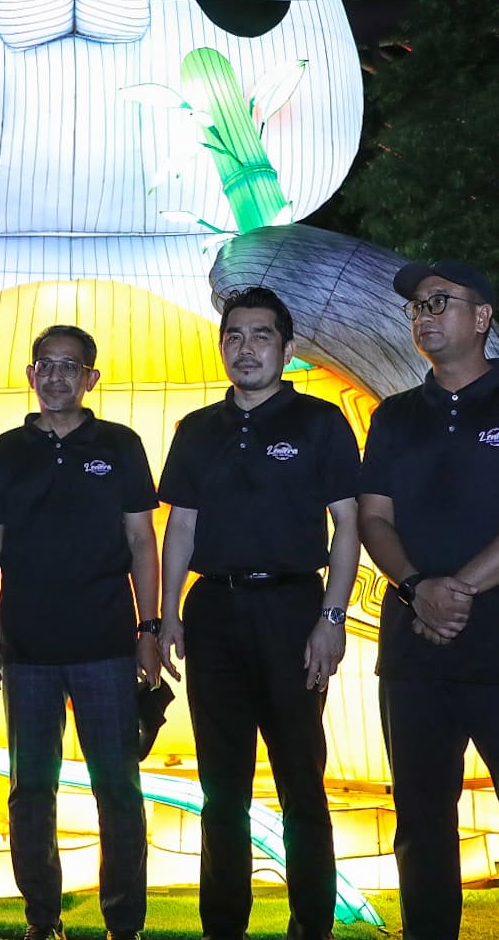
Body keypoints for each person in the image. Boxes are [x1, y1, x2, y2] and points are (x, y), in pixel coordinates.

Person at [357, 261, 499, 940]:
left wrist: (457, 590)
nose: (423, 315)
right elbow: (373, 518)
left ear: (482, 317)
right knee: (421, 827)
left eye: (439, 301)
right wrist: (416, 588)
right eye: (416, 307)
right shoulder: (394, 416)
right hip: (414, 654)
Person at [157, 286, 362, 940]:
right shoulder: (196, 430)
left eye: (261, 335)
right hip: (213, 612)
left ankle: (312, 925)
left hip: (292, 610)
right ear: (222, 346)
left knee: (302, 782)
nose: (246, 348)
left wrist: (332, 618)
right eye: (234, 336)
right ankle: (224, 927)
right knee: (221, 790)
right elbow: (180, 527)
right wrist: (166, 614)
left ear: (287, 347)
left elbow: (349, 524)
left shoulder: (320, 421)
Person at [0, 325, 161, 940]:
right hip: (26, 651)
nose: (56, 377)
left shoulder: (122, 445)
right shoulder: (4, 452)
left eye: (69, 366)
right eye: (45, 365)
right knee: (30, 792)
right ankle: (42, 919)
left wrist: (149, 627)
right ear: (31, 375)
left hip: (108, 646)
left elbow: (142, 540)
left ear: (90, 378)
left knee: (119, 791)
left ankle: (124, 923)